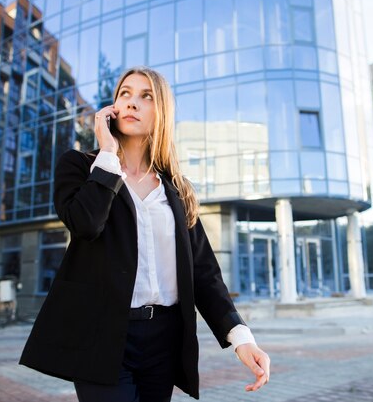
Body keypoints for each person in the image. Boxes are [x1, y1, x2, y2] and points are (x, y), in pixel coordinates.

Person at [19, 66, 270, 401]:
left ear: (161, 112)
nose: (132, 103)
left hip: (163, 341)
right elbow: (86, 224)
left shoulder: (177, 189)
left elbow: (204, 273)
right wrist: (107, 153)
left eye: (145, 96)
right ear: (113, 108)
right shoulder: (81, 167)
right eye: (125, 94)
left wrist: (242, 339)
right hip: (101, 334)